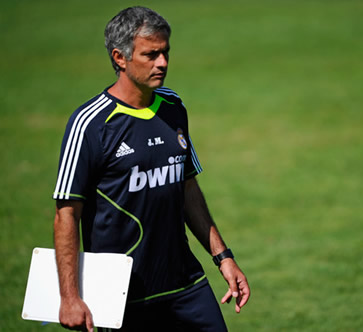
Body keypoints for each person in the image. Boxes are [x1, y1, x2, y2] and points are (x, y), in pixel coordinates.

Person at [52, 6, 250, 331]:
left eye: (165, 53)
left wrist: (223, 257)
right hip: (121, 295)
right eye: (151, 54)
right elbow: (66, 214)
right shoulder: (90, 124)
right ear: (120, 58)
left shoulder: (173, 106)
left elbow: (187, 187)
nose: (163, 63)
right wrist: (69, 297)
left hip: (184, 282)